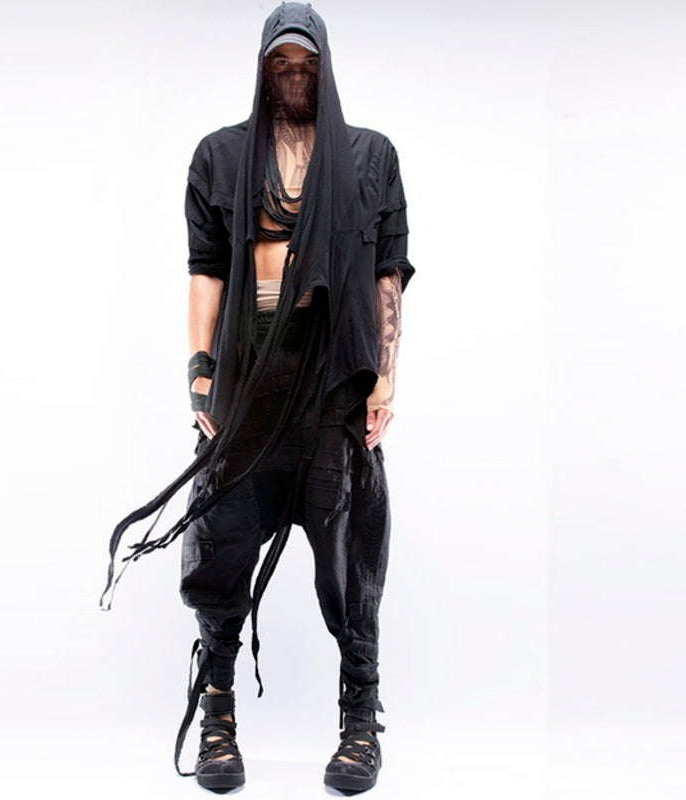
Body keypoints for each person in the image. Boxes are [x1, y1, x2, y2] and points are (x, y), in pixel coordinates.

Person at [99, 2, 414, 793]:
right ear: (264, 69)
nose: (295, 75)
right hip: (247, 391)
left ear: (326, 70)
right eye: (283, 63)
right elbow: (206, 268)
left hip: (333, 388)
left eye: (307, 64)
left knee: (350, 562)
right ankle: (217, 717)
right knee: (222, 550)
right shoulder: (222, 157)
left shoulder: (370, 157)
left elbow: (387, 271)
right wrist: (201, 369)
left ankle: (360, 722)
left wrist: (385, 374)